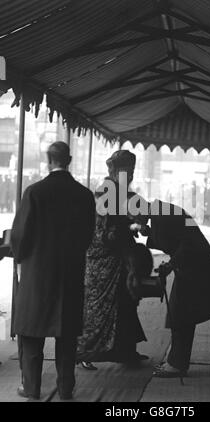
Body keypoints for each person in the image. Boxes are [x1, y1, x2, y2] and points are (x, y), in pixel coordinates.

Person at [11, 142, 95, 400]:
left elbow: (20, 235)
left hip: (38, 274)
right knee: (66, 333)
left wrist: (20, 254)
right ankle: (66, 388)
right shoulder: (84, 195)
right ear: (69, 160)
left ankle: (32, 387)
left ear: (49, 160)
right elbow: (87, 236)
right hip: (70, 272)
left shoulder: (35, 192)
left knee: (32, 332)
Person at [131, 197, 210, 377]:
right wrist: (149, 232)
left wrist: (170, 264)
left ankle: (177, 365)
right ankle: (176, 361)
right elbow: (176, 237)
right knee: (181, 314)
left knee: (181, 315)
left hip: (194, 266)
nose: (135, 221)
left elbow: (186, 243)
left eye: (133, 217)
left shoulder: (162, 215)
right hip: (191, 264)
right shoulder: (162, 212)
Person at [76, 150, 147, 369]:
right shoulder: (107, 192)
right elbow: (107, 234)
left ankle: (125, 350)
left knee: (126, 304)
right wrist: (132, 226)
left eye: (133, 171)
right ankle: (85, 353)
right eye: (127, 171)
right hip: (103, 262)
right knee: (99, 310)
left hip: (118, 259)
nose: (131, 175)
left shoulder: (120, 191)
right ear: (114, 171)